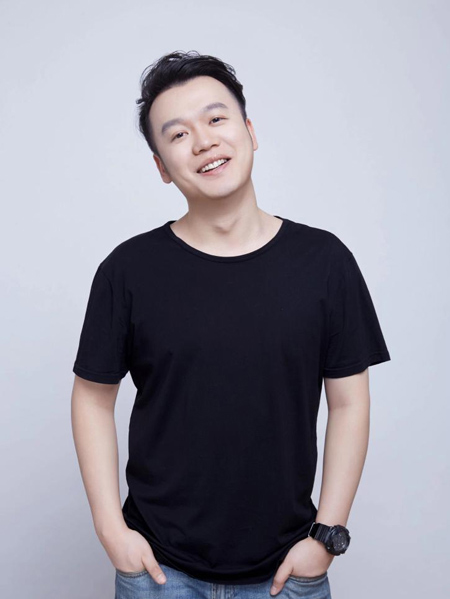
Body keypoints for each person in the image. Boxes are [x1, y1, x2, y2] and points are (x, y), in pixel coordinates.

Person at [71, 50, 391, 599]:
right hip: (158, 571)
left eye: (216, 119)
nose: (203, 141)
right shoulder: (128, 270)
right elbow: (92, 398)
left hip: (287, 571)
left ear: (249, 131)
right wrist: (110, 530)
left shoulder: (324, 262)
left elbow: (349, 403)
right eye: (178, 134)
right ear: (161, 167)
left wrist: (327, 536)